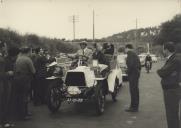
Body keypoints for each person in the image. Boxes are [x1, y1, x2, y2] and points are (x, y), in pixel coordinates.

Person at [157, 42, 181, 128]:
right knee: (171, 113)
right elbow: (165, 71)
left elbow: (162, 72)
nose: (163, 51)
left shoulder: (175, 59)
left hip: (172, 91)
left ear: (166, 50)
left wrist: (161, 71)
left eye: (163, 49)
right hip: (171, 90)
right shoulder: (172, 58)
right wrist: (166, 72)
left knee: (172, 114)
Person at [14, 47, 35, 120]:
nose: (31, 53)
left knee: (20, 97)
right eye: (30, 51)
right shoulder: (28, 59)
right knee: (25, 97)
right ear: (28, 52)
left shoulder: (18, 59)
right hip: (25, 79)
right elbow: (33, 71)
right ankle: (23, 115)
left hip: (17, 79)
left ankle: (23, 113)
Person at [0, 42, 15, 127]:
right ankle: (4, 122)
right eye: (5, 47)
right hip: (2, 84)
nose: (6, 48)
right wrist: (8, 73)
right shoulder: (1, 59)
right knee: (4, 103)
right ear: (2, 47)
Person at [125, 44, 141, 112]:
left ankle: (134, 107)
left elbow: (131, 65)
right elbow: (139, 65)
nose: (125, 50)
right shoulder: (134, 54)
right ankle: (134, 106)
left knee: (133, 91)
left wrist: (127, 71)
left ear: (127, 48)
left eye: (125, 49)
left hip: (133, 74)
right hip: (136, 73)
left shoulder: (130, 54)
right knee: (135, 90)